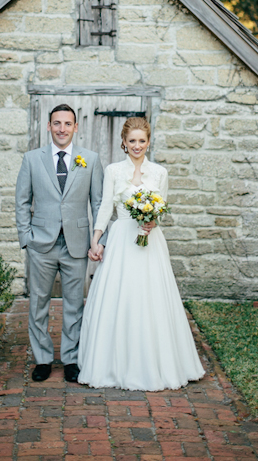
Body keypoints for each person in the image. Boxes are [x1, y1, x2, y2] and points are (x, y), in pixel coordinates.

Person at [78, 116, 205, 391]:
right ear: (123, 143)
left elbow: (163, 208)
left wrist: (153, 221)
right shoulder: (113, 171)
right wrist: (96, 240)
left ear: (148, 142)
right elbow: (104, 209)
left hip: (150, 241)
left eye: (142, 141)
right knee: (120, 297)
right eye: (132, 141)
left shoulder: (160, 173)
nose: (137, 146)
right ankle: (112, 365)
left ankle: (158, 363)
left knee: (152, 298)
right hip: (122, 238)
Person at [15, 104, 105, 383]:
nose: (62, 129)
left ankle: (71, 359)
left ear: (76, 127)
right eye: (57, 123)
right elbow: (22, 201)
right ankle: (42, 359)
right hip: (41, 243)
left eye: (67, 124)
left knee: (74, 304)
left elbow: (99, 202)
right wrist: (26, 239)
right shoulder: (32, 159)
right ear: (48, 126)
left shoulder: (90, 159)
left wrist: (97, 240)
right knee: (38, 302)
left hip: (77, 244)